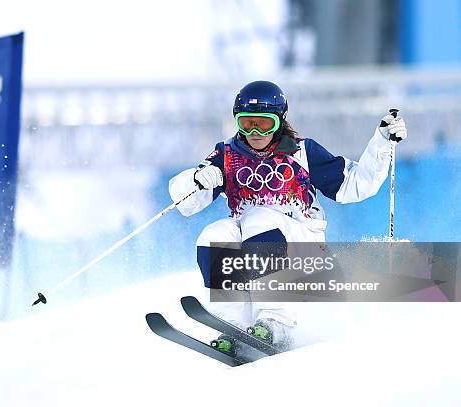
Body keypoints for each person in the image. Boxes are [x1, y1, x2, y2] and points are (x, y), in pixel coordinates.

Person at [168, 80, 407, 357]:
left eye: (264, 124)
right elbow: (185, 204)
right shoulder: (227, 156)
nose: (255, 132)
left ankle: (276, 322)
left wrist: (381, 143)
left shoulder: (302, 152)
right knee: (214, 234)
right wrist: (196, 179)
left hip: (304, 246)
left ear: (279, 122)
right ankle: (233, 324)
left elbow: (356, 185)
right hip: (254, 242)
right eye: (246, 124)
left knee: (259, 218)